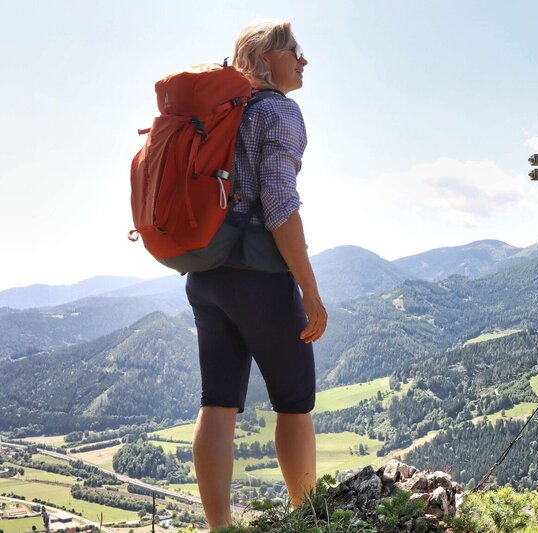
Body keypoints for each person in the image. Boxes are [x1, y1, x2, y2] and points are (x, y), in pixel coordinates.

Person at [184, 20, 328, 529]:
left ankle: (219, 527)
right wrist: (310, 290)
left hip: (206, 274)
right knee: (295, 402)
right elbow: (280, 202)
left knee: (218, 402)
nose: (303, 59)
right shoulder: (278, 111)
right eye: (294, 50)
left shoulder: (221, 112)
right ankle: (306, 519)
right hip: (259, 276)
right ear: (267, 59)